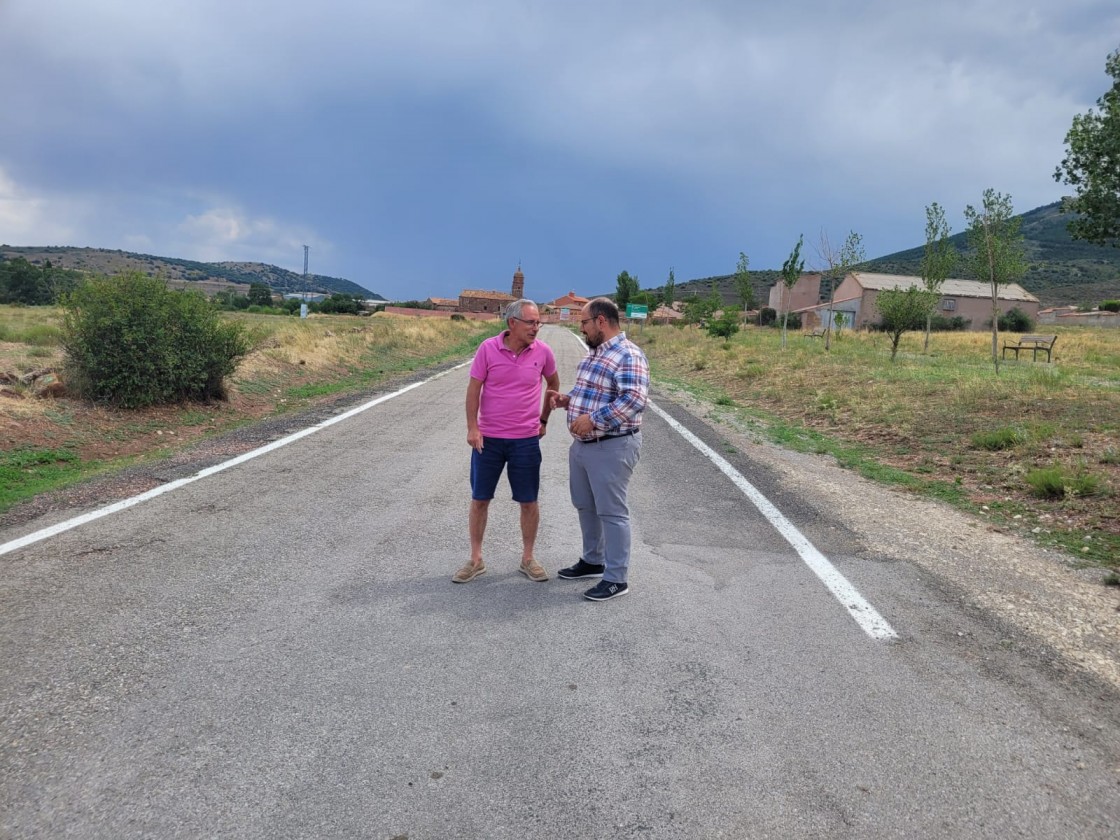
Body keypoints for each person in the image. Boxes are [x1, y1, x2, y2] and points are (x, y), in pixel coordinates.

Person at [547, 297, 649, 601]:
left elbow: (633, 400)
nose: (581, 328)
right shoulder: (594, 354)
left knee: (612, 512)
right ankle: (593, 560)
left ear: (601, 321)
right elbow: (591, 391)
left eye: (584, 322)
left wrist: (592, 419)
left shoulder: (628, 355)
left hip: (612, 446)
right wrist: (569, 401)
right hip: (584, 447)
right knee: (585, 505)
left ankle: (617, 578)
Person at [453, 299, 560, 584]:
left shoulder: (543, 353)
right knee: (480, 499)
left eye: (538, 322)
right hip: (488, 440)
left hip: (525, 440)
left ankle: (528, 558)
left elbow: (554, 385)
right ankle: (476, 559)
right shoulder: (488, 349)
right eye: (531, 322)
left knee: (529, 501)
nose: (536, 328)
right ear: (512, 323)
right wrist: (472, 428)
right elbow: (474, 389)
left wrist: (544, 419)